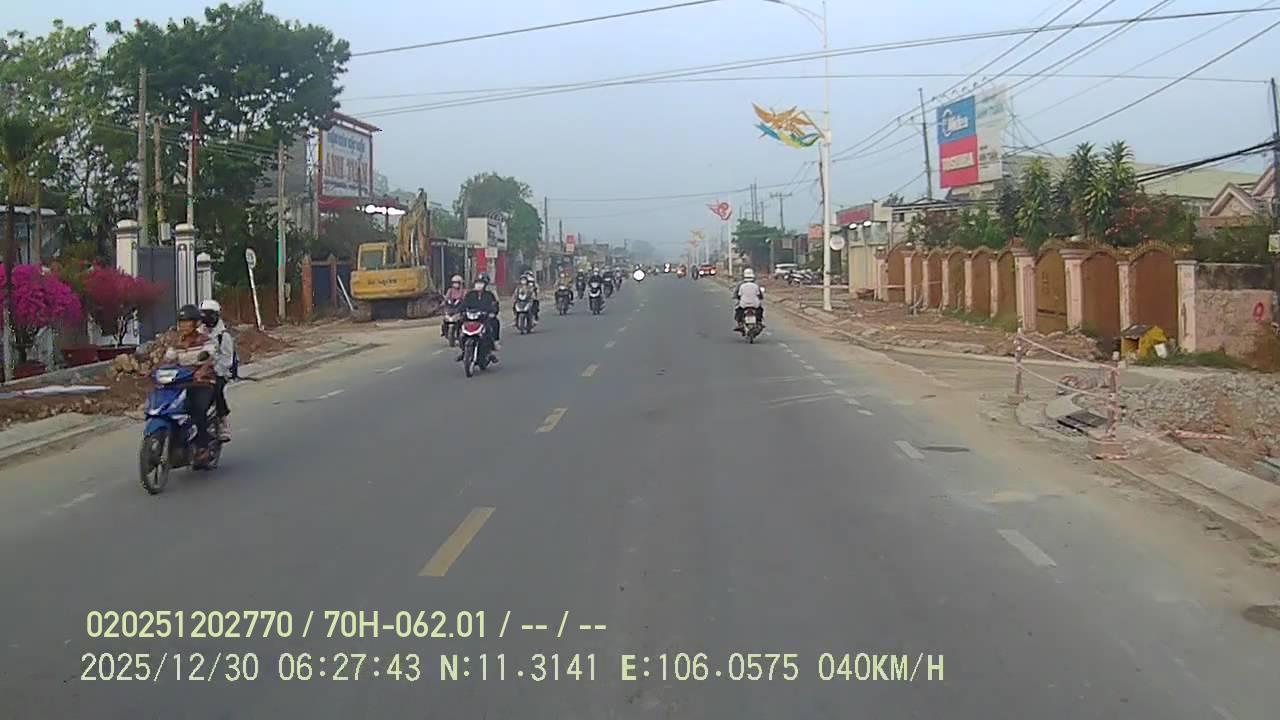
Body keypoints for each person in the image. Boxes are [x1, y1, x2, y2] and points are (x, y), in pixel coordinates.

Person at [163, 304, 218, 455]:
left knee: (198, 409)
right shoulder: (177, 344)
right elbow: (168, 360)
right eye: (181, 322)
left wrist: (202, 370)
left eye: (187, 322)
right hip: (181, 384)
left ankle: (202, 446)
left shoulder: (205, 341)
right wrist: (155, 370)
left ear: (196, 323)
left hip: (202, 383)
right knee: (172, 410)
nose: (183, 325)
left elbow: (210, 356)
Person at [199, 299, 236, 442]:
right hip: (199, 370)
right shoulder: (198, 332)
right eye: (203, 314)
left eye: (209, 314)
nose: (206, 318)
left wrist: (213, 370)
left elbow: (227, 359)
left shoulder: (223, 336)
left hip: (219, 372)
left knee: (216, 390)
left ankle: (223, 423)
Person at [460, 273, 501, 360]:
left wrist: (492, 313)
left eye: (481, 283)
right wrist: (460, 312)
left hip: (483, 318)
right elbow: (463, 304)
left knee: (494, 322)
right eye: (477, 283)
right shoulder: (470, 294)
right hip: (471, 317)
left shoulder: (489, 295)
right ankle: (463, 350)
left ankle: (493, 344)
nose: (479, 285)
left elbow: (494, 305)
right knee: (460, 324)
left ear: (485, 285)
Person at [732, 268, 765, 332]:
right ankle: (759, 322)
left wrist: (737, 298)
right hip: (755, 304)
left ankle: (740, 323)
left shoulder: (741, 285)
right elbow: (759, 294)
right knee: (760, 309)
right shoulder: (756, 285)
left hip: (744, 304)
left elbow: (738, 294)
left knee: (738, 310)